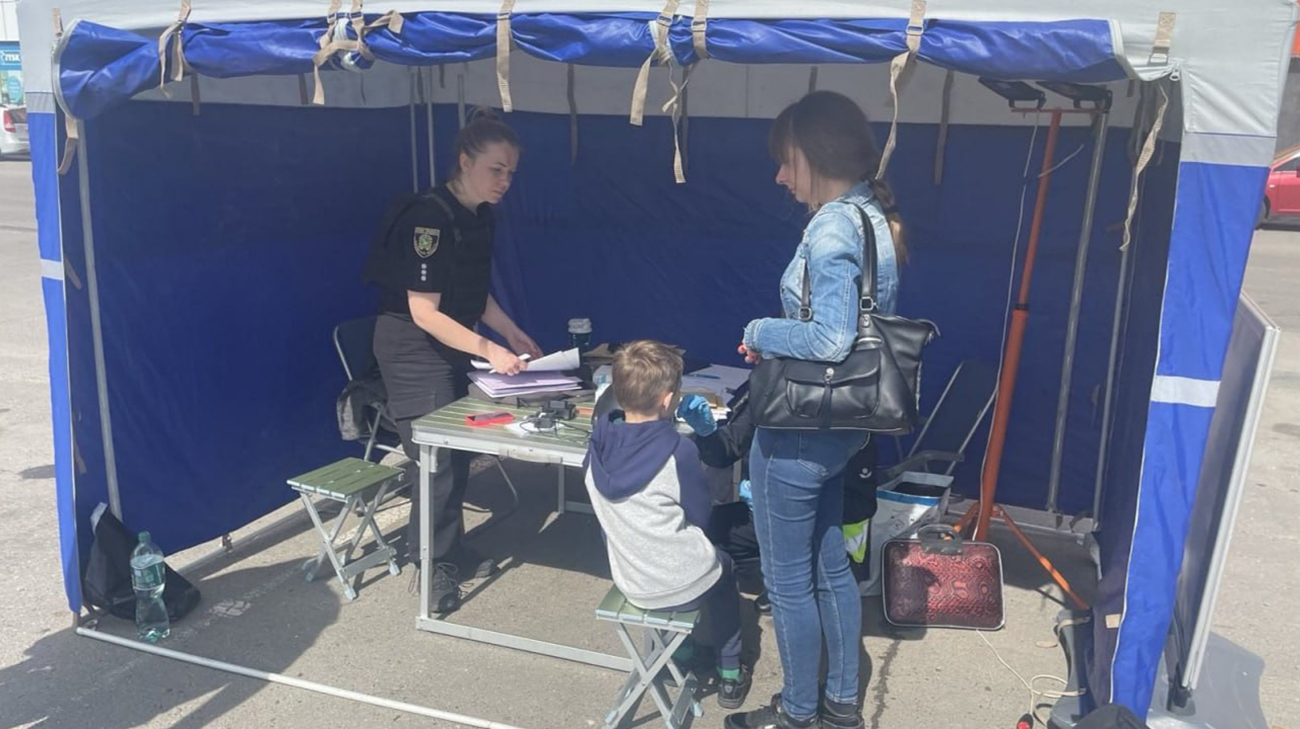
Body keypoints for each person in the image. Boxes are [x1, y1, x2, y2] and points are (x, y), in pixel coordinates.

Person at [726, 90, 906, 729]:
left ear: (815, 152)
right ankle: (841, 707)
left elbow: (831, 338)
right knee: (831, 569)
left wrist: (761, 329)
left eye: (785, 160)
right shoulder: (871, 217)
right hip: (844, 425)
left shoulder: (831, 226)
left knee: (787, 582)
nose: (780, 176)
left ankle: (799, 713)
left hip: (798, 429)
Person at [363, 108, 543, 614]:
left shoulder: (479, 215)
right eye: (496, 169)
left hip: (452, 341)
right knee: (436, 459)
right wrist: (489, 350)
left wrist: (510, 332)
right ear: (465, 161)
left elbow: (473, 292)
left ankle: (449, 548)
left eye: (511, 173)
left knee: (458, 450)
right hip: (411, 346)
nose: (505, 181)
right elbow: (424, 311)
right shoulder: (428, 219)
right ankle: (433, 565)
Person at [584, 341, 753, 709]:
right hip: (682, 581)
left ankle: (681, 653)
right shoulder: (679, 451)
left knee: (663, 554)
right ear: (666, 400)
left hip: (631, 580)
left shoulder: (595, 448)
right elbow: (701, 516)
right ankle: (730, 671)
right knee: (724, 571)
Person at [677, 389, 880, 615]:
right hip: (765, 514)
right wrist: (707, 433)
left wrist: (786, 501)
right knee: (700, 533)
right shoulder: (770, 390)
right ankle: (767, 579)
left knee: (812, 594)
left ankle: (799, 583)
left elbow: (861, 504)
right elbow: (727, 450)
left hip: (825, 529)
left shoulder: (847, 410)